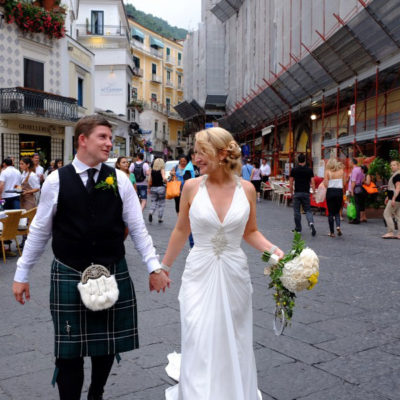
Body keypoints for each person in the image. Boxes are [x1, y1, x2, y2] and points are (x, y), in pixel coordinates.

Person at [12, 115, 170, 400]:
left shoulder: (119, 180)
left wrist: (154, 267)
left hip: (111, 270)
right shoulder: (55, 181)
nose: (110, 143)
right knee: (69, 351)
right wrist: (21, 274)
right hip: (69, 272)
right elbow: (39, 231)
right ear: (82, 139)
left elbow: (136, 227)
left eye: (110, 138)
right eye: (103, 137)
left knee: (106, 346)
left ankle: (96, 393)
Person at [162, 127, 284, 400]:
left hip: (233, 273)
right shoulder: (191, 187)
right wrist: (164, 267)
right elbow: (181, 231)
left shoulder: (248, 190)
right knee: (197, 335)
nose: (195, 158)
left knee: (235, 337)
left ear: (221, 153)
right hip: (199, 272)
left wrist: (277, 253)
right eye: (195, 152)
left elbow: (250, 232)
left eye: (201, 152)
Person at [289, 154, 317, 236]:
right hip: (306, 193)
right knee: (308, 210)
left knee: (297, 211)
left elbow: (290, 182)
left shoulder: (294, 170)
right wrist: (314, 193)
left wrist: (291, 193)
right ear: (305, 160)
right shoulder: (309, 170)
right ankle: (311, 223)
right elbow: (313, 182)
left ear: (298, 160)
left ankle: (298, 229)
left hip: (297, 193)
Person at [323, 159, 345, 237]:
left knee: (331, 213)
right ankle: (338, 226)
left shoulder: (327, 172)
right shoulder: (341, 171)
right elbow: (344, 183)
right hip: (339, 192)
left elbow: (325, 184)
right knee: (337, 211)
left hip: (330, 192)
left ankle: (332, 232)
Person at [382, 160, 400, 239]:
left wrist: (393, 199)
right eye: (391, 165)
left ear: (398, 166)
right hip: (397, 198)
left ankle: (390, 232)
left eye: (394, 165)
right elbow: (392, 188)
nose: (392, 166)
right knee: (398, 216)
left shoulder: (397, 175)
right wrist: (388, 197)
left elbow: (398, 187)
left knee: (387, 213)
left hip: (396, 199)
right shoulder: (396, 175)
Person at [148, 158, 167, 223]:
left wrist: (148, 188)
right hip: (161, 188)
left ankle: (151, 212)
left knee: (153, 201)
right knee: (161, 203)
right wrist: (167, 181)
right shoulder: (162, 170)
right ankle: (160, 218)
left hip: (153, 188)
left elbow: (149, 180)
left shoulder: (152, 170)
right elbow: (164, 178)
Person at [348, 158, 366, 224]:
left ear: (352, 162)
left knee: (355, 204)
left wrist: (352, 190)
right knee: (357, 203)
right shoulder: (360, 169)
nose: (349, 163)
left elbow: (353, 181)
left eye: (349, 162)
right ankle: (356, 218)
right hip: (359, 187)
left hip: (355, 188)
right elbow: (362, 179)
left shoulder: (355, 170)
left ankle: (356, 219)